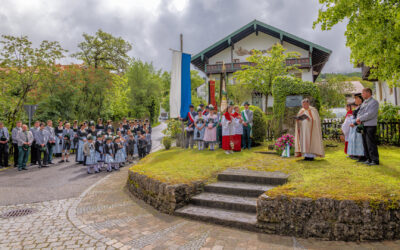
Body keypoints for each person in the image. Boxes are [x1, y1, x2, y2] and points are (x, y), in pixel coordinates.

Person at [356, 88, 380, 165]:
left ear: (368, 93)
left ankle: (374, 160)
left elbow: (370, 114)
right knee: (365, 142)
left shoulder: (374, 102)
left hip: (370, 125)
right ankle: (368, 159)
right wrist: (358, 119)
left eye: (363, 93)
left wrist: (360, 118)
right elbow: (359, 112)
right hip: (363, 125)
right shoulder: (364, 102)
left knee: (370, 143)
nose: (362, 95)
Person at [348, 94, 365, 159]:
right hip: (354, 124)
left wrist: (355, 123)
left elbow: (360, 116)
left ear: (360, 99)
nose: (355, 100)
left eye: (356, 98)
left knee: (358, 140)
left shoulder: (362, 107)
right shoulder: (358, 107)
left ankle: (360, 154)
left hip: (357, 124)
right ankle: (355, 153)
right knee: (354, 139)